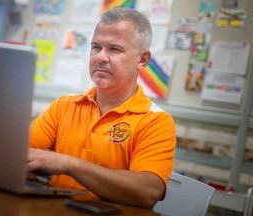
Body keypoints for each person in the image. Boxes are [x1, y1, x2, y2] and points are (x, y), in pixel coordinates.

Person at [27, 7, 176, 209]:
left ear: (142, 60)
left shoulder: (156, 121)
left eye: (114, 49)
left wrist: (69, 164)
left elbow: (148, 192)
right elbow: (19, 155)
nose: (100, 57)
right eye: (96, 47)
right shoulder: (64, 105)